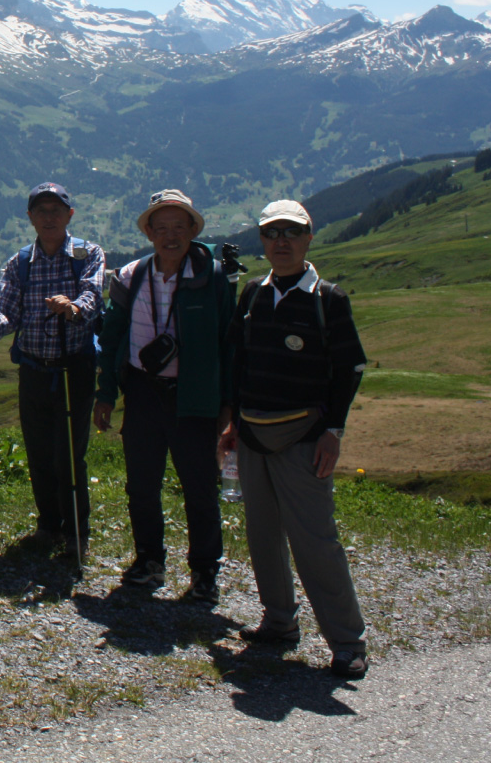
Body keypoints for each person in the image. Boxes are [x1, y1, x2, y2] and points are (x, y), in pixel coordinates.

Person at [221, 200, 370, 679]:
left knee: (314, 541)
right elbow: (237, 362)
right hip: (252, 433)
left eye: (292, 232)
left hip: (304, 436)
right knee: (262, 535)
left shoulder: (330, 299)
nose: (280, 241)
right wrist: (231, 423)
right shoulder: (251, 295)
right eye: (271, 233)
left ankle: (348, 643)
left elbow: (349, 369)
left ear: (309, 238)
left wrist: (333, 431)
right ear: (262, 242)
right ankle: (279, 623)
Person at [93, 189, 234, 603]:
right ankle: (149, 561)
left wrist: (228, 404)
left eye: (179, 226)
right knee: (141, 484)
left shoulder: (213, 279)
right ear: (149, 232)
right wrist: (106, 393)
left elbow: (229, 343)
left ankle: (205, 572)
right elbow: (112, 335)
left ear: (193, 230)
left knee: (200, 487)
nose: (170, 236)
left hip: (193, 398)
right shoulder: (131, 276)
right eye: (161, 227)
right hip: (142, 393)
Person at [0, 182, 104, 557]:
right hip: (34, 370)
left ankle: (76, 531)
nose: (49, 217)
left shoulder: (87, 253)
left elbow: (95, 295)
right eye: (41, 211)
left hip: (74, 368)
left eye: (56, 211)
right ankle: (49, 525)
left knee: (69, 453)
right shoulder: (20, 262)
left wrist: (73, 307)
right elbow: (7, 309)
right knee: (38, 451)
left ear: (70, 215)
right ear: (31, 217)